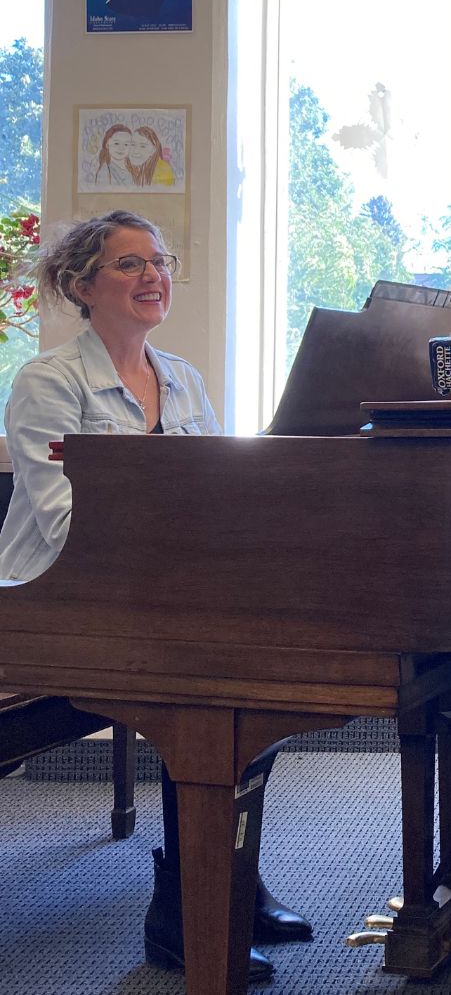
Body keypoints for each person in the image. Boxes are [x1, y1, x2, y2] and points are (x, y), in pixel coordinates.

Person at [0, 212, 310, 981]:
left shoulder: (182, 378)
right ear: (82, 285)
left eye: (160, 261)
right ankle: (187, 908)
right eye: (129, 263)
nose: (152, 276)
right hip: (51, 602)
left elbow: (219, 496)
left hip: (151, 596)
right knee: (211, 676)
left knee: (262, 657)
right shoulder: (47, 381)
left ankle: (225, 881)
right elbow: (63, 516)